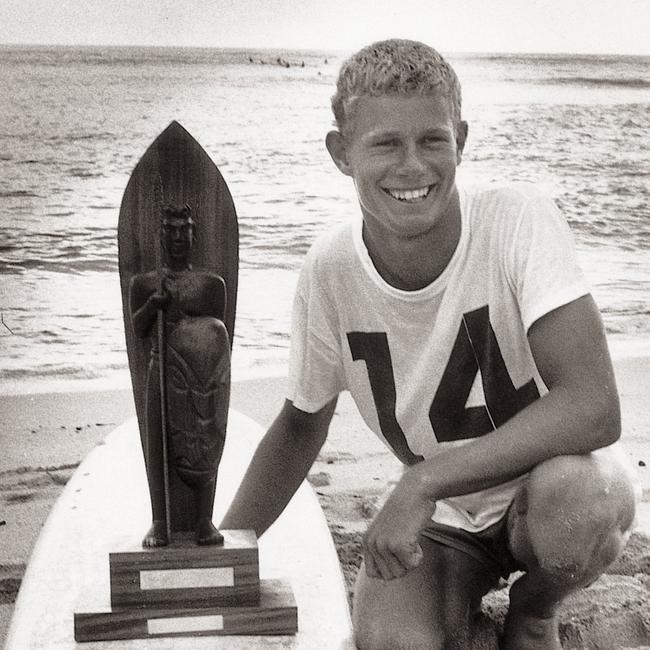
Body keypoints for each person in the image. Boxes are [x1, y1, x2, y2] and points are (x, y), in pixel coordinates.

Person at [221, 39, 637, 649]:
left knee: (582, 506)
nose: (412, 166)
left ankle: (536, 606)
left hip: (546, 488)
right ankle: (458, 595)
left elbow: (594, 406)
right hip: (447, 522)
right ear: (341, 152)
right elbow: (300, 425)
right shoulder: (330, 269)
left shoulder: (517, 221)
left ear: (461, 140)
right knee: (396, 644)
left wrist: (421, 483)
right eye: (385, 143)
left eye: (432, 139)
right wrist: (224, 549)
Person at [130, 204, 230, 548]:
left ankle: (204, 519)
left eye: (183, 231)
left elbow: (218, 337)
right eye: (170, 232)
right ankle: (160, 521)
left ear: (193, 236)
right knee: (156, 442)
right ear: (161, 236)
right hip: (161, 368)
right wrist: (153, 306)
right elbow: (138, 329)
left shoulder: (210, 285)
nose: (176, 238)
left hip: (201, 373)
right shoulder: (144, 283)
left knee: (206, 436)